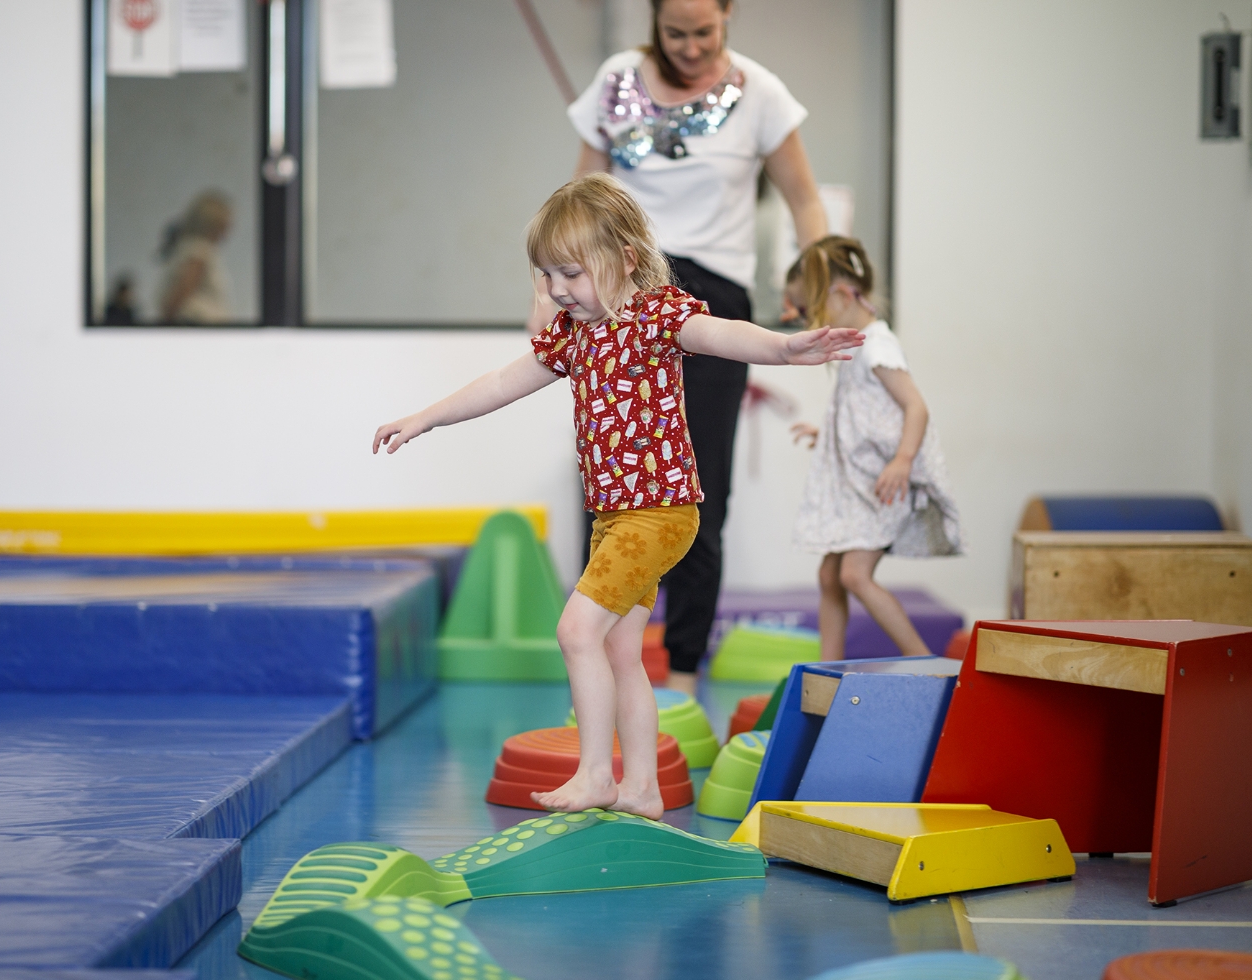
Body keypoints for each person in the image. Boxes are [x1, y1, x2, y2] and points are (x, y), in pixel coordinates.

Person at [377, 174, 861, 816]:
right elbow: (500, 382)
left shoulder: (656, 313)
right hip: (617, 518)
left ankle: (596, 776)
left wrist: (783, 347)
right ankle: (641, 787)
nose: (556, 291)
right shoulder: (574, 337)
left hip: (659, 512)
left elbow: (723, 336)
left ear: (625, 259)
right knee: (618, 649)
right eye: (546, 276)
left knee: (576, 630)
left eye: (570, 274)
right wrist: (427, 417)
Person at [532, 0, 831, 696]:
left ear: (730, 16)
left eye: (706, 33)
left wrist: (817, 275)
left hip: (713, 296)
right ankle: (601, 665)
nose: (691, 48)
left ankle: (686, 670)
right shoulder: (616, 79)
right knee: (610, 476)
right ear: (654, 23)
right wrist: (547, 294)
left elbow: (805, 201)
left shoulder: (761, 93)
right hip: (619, 286)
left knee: (701, 485)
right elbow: (577, 198)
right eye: (676, 34)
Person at [786, 236, 963, 661]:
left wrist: (903, 461)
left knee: (853, 575)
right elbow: (864, 412)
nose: (802, 319)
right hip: (861, 486)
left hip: (883, 483)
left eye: (809, 308)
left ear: (844, 295)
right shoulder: (858, 344)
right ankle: (825, 670)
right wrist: (825, 433)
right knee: (830, 574)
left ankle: (927, 663)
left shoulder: (877, 346)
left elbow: (915, 407)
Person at [158, 190, 233, 324]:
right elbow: (182, 290)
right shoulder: (199, 251)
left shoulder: (189, 248)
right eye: (224, 225)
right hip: (201, 328)